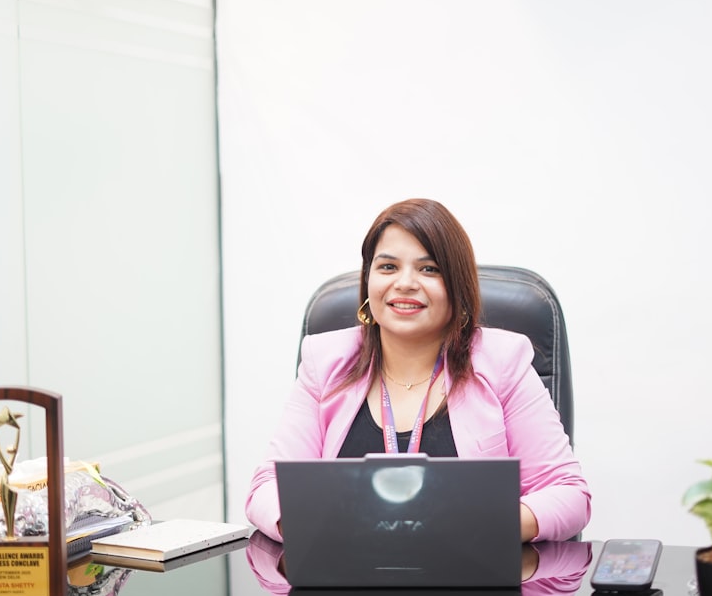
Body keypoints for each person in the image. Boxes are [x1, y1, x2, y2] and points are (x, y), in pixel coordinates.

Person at [245, 198, 591, 543]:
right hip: (348, 581)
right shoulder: (325, 361)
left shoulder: (503, 361)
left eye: (429, 269)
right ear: (368, 282)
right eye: (387, 267)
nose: (405, 283)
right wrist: (315, 526)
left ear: (457, 286)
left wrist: (479, 526)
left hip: (470, 580)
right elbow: (265, 489)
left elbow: (569, 494)